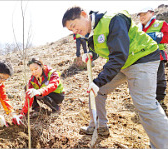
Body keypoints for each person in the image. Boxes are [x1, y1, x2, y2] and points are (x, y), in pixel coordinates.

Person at [62, 6, 168, 148]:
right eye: (71, 30)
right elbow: (106, 48)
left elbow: (118, 55)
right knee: (96, 92)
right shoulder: (92, 31)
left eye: (74, 26)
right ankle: (101, 127)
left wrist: (98, 81)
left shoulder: (113, 19)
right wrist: (92, 55)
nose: (75, 32)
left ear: (83, 14)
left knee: (145, 104)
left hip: (142, 58)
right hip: (123, 63)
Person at [12, 57, 64, 124]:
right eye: (31, 70)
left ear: (41, 66)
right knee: (27, 88)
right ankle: (37, 109)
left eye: (36, 69)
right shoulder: (33, 80)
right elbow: (28, 96)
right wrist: (23, 113)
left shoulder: (52, 73)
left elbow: (53, 85)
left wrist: (39, 91)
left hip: (57, 95)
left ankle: (56, 109)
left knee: (40, 94)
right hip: (44, 95)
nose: (34, 72)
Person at [138, 7, 168, 111]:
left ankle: (159, 98)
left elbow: (167, 37)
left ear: (151, 13)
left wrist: (154, 37)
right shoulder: (138, 28)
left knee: (158, 78)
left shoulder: (160, 24)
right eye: (140, 15)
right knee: (144, 78)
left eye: (144, 14)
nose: (142, 17)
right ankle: (147, 99)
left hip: (157, 55)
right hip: (142, 57)